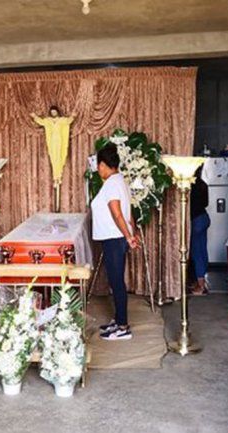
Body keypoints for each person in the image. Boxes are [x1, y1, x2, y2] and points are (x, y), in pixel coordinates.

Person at [91, 144, 139, 341]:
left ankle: (122, 326)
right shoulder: (120, 180)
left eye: (98, 165)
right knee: (115, 280)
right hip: (116, 238)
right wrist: (132, 233)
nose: (97, 169)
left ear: (103, 164)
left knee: (116, 282)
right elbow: (129, 214)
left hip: (114, 238)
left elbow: (117, 213)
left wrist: (128, 236)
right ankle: (119, 319)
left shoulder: (111, 183)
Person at [189, 166, 210, 296]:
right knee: (202, 250)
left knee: (196, 252)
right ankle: (201, 281)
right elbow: (206, 203)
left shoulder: (189, 186)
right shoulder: (203, 184)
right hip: (204, 218)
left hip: (196, 220)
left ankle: (201, 287)